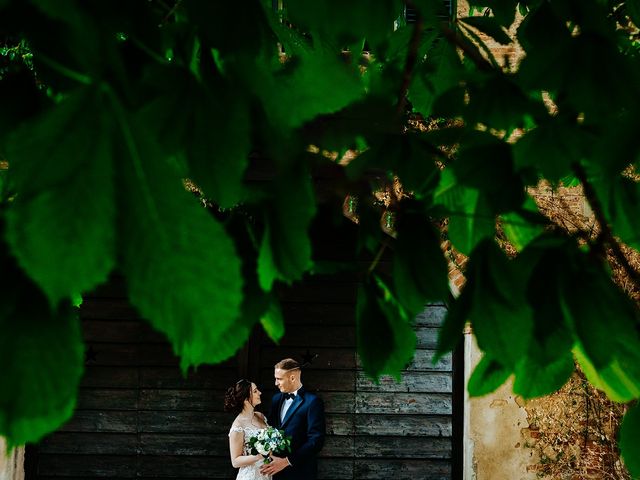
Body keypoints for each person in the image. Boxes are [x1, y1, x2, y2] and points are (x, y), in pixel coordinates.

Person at [260, 358, 325, 479]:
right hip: (274, 472)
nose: (275, 383)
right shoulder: (276, 399)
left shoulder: (313, 402)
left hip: (300, 472)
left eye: (279, 379)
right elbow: (269, 429)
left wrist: (286, 461)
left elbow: (316, 441)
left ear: (293, 378)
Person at [225, 379, 272, 480]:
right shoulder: (238, 426)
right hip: (250, 476)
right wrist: (259, 456)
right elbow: (235, 461)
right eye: (255, 391)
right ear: (246, 399)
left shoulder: (260, 416)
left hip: (266, 474)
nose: (260, 392)